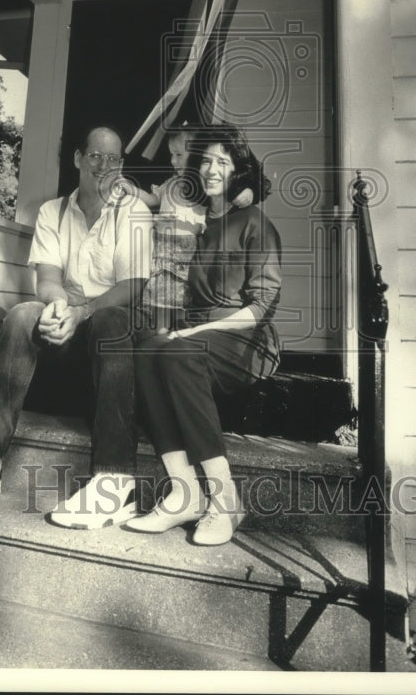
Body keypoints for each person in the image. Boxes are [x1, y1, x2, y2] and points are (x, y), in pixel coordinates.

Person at [0, 124, 153, 530]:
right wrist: (58, 308)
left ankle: (113, 480)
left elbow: (132, 286)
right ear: (77, 159)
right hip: (67, 323)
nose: (103, 167)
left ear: (121, 165)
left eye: (113, 159)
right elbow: (49, 279)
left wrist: (81, 313)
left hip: (106, 331)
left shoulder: (134, 212)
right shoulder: (53, 211)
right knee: (23, 315)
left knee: (112, 319)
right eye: (95, 156)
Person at [128, 124, 282, 545]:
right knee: (144, 348)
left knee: (178, 352)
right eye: (206, 161)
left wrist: (198, 330)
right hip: (194, 333)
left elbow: (260, 307)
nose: (212, 169)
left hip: (245, 337)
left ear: (238, 170)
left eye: (223, 162)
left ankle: (225, 496)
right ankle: (184, 492)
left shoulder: (254, 222)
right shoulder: (194, 221)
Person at [120, 124, 268, 333]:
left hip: (186, 263)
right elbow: (153, 200)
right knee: (158, 313)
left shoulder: (205, 187)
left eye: (179, 154)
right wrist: (131, 190)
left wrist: (248, 192)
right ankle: (158, 340)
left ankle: (174, 340)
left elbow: (232, 196)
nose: (173, 161)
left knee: (181, 312)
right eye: (172, 155)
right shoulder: (172, 184)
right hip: (162, 258)